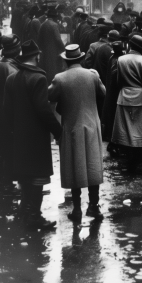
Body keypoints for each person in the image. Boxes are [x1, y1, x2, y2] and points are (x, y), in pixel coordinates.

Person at [3, 40, 62, 230]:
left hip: (19, 136)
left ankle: (24, 212)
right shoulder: (38, 79)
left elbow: (7, 110)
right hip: (36, 136)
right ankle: (34, 216)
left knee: (24, 175)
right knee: (38, 176)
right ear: (37, 56)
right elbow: (43, 110)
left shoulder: (12, 79)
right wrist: (58, 131)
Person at [48, 44, 106, 222]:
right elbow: (103, 93)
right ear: (81, 59)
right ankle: (94, 207)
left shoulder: (60, 78)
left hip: (72, 126)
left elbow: (50, 97)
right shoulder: (92, 75)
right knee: (93, 165)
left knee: (75, 167)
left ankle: (77, 209)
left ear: (65, 61)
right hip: (91, 125)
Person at [111, 34, 142, 174]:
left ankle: (129, 163)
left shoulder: (121, 59)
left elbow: (118, 80)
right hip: (139, 98)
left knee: (126, 131)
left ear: (130, 45)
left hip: (124, 96)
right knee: (140, 131)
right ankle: (140, 162)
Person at [0, 35, 21, 189]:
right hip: (8, 115)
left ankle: (1, 180)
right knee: (9, 148)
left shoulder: (0, 65)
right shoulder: (12, 70)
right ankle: (7, 183)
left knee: (1, 146)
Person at [102, 41, 125, 151]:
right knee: (114, 116)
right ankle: (114, 141)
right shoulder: (119, 60)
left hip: (110, 91)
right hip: (115, 92)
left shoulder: (112, 58)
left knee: (111, 115)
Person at [38, 5, 65, 84]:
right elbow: (58, 39)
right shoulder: (54, 25)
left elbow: (39, 39)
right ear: (55, 17)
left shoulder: (43, 24)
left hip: (45, 51)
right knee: (54, 69)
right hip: (54, 52)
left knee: (47, 68)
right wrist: (63, 49)